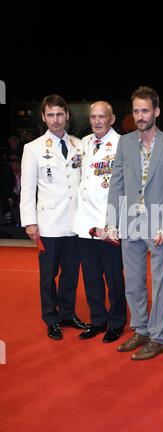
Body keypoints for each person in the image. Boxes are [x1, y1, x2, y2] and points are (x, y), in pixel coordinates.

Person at [106, 86, 163, 360]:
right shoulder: (125, 143)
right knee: (134, 281)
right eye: (136, 110)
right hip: (129, 221)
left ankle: (158, 336)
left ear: (157, 112)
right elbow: (115, 185)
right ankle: (140, 329)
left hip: (158, 224)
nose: (140, 116)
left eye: (145, 110)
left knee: (160, 280)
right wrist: (112, 221)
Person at [20, 94, 88, 340]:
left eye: (60, 114)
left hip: (75, 223)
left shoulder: (80, 145)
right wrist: (30, 222)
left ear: (67, 115)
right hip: (48, 224)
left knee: (71, 273)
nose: (56, 119)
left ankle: (68, 313)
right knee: (48, 276)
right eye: (51, 115)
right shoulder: (33, 148)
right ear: (43, 117)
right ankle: (51, 317)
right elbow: (27, 189)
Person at [73, 101, 127, 343]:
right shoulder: (83, 143)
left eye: (101, 117)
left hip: (109, 223)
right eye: (93, 116)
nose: (96, 121)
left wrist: (115, 223)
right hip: (85, 222)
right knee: (91, 276)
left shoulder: (123, 144)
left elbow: (126, 188)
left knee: (114, 277)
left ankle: (116, 322)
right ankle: (98, 320)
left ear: (112, 118)